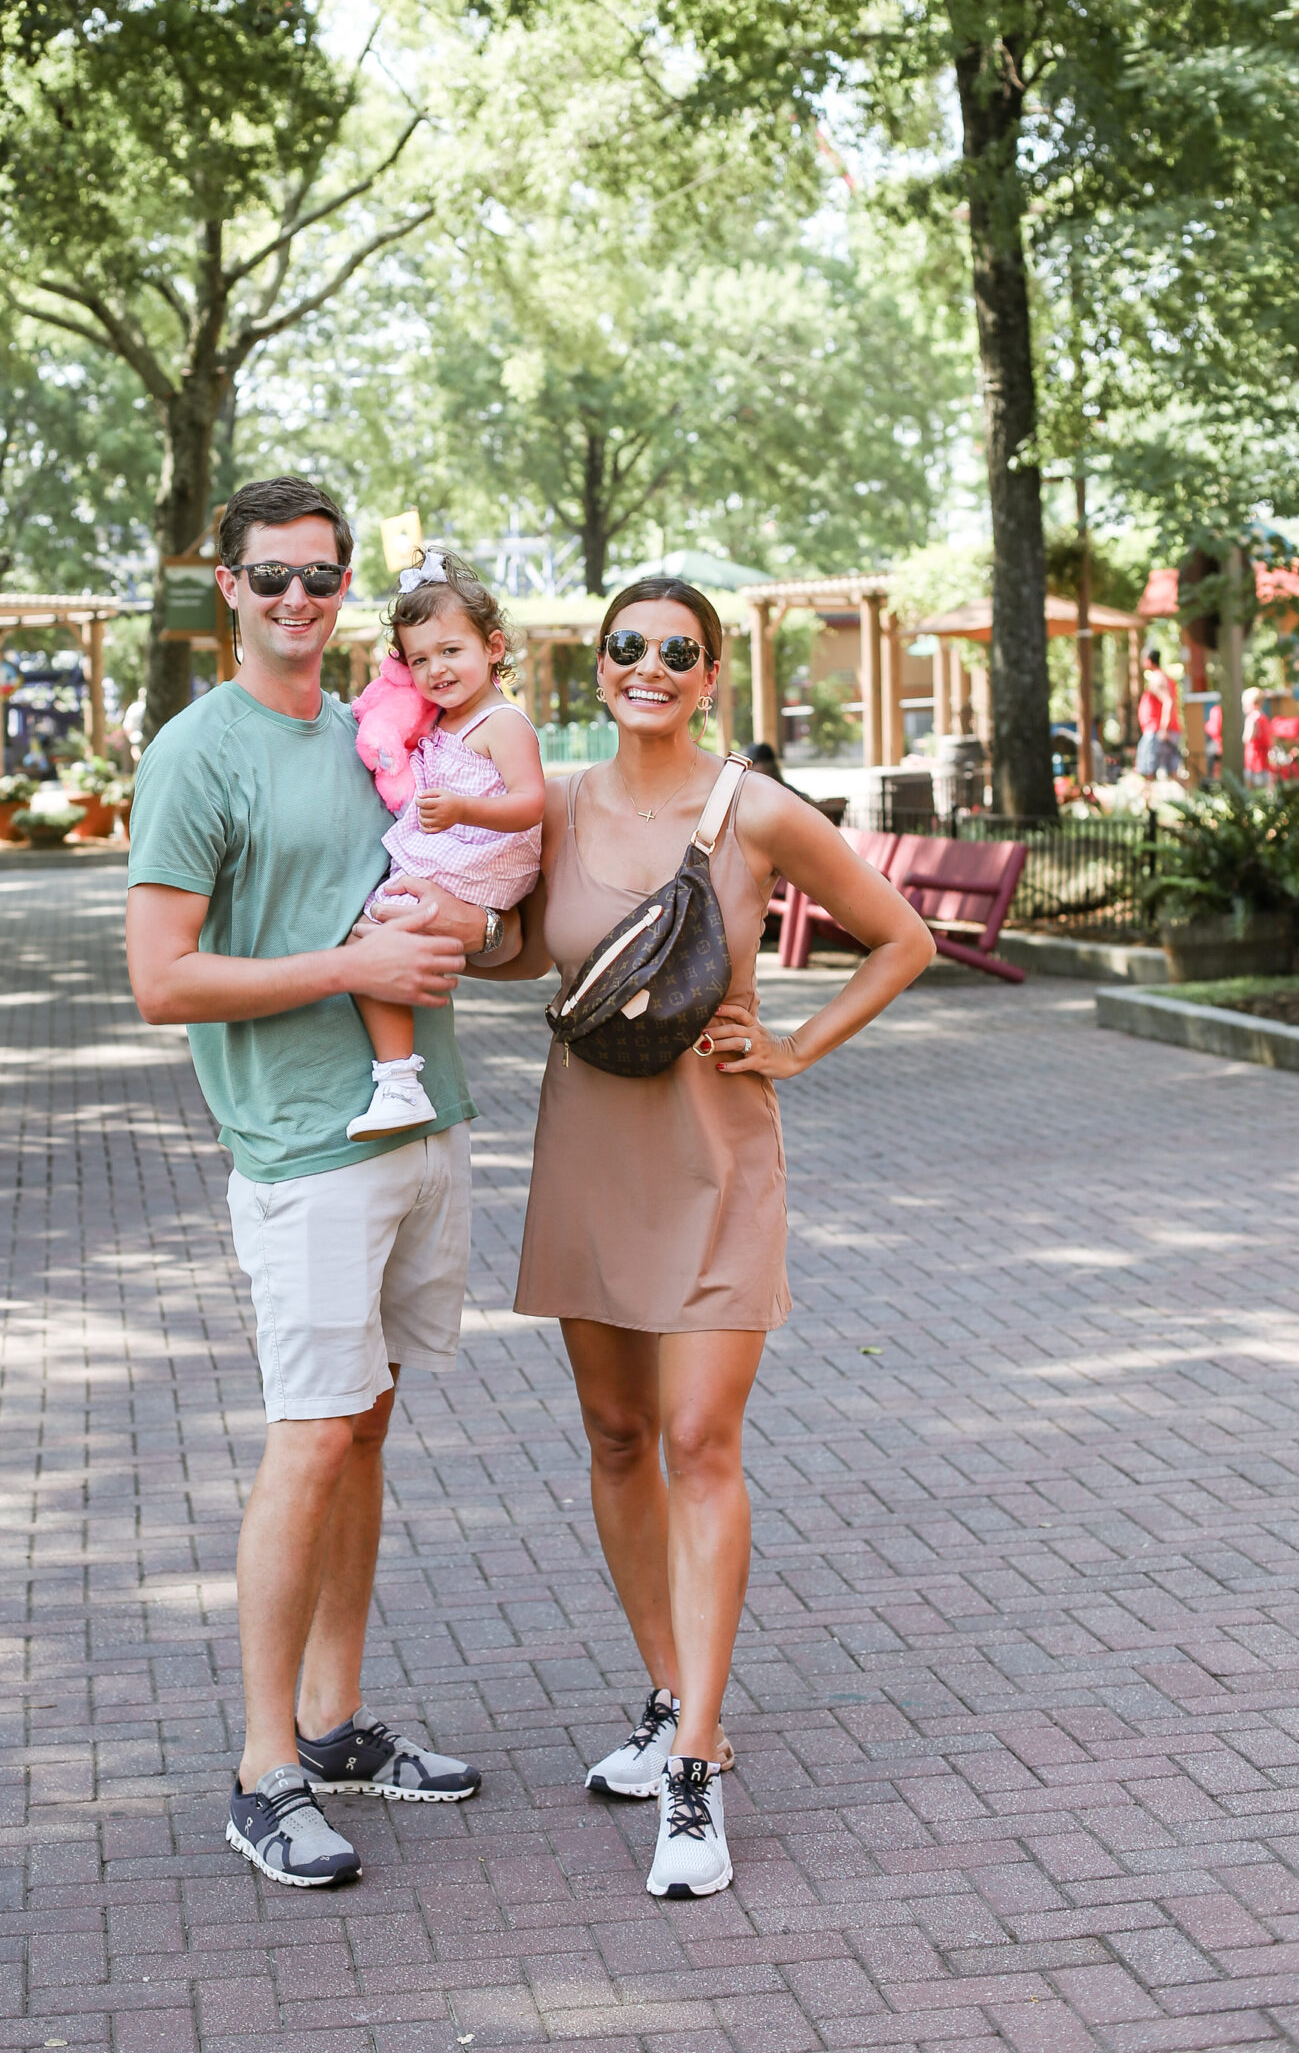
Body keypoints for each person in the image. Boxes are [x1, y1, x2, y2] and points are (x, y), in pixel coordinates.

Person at [494, 577, 934, 1900]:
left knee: (696, 1438)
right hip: (585, 1152)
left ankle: (692, 1771)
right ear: (598, 670)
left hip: (711, 1164)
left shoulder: (753, 812)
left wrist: (795, 1042)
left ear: (708, 679)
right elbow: (516, 946)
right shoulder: (556, 803)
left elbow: (899, 939)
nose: (646, 666)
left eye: (674, 653)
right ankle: (668, 1693)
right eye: (625, 647)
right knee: (616, 1437)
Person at [124, 476, 519, 1891]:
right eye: (270, 576)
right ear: (226, 587)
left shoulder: (380, 726)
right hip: (301, 1147)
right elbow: (160, 980)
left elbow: (467, 861)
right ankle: (259, 1767)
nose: (297, 597)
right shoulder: (197, 752)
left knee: (364, 1432)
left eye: (319, 575)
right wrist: (348, 969)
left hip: (423, 1124)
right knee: (306, 1438)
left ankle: (337, 1725)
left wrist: (473, 923)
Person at [347, 551, 545, 1139]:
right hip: (454, 856)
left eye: (451, 651)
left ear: (493, 647)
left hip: (482, 859)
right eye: (420, 659)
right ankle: (398, 1075)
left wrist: (463, 808)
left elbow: (531, 802)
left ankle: (400, 1083)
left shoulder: (503, 724)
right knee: (374, 939)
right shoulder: (442, 722)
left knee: (370, 944)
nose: (436, 669)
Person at [1136, 646, 1184, 785]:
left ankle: (1148, 803)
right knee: (1172, 772)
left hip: (1157, 731)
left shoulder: (1157, 678)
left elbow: (1168, 701)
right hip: (1163, 730)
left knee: (1147, 772)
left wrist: (1163, 728)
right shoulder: (1164, 678)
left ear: (1148, 661)